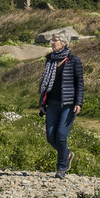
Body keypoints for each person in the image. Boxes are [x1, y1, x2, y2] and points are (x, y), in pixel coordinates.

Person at [38, 33, 83, 177]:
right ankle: (67, 155)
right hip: (52, 104)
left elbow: (79, 84)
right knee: (51, 137)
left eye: (55, 40)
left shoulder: (74, 60)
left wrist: (78, 102)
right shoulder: (49, 60)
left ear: (64, 43)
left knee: (61, 136)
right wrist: (41, 103)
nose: (52, 43)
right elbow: (44, 84)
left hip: (68, 105)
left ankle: (61, 168)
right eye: (52, 40)